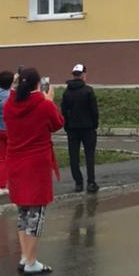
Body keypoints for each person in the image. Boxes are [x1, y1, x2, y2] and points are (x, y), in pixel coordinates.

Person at [3, 68, 64, 276]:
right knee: (36, 214)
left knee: (23, 211)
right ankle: (30, 260)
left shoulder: (9, 105)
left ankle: (25, 255)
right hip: (37, 163)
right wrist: (49, 100)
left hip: (15, 160)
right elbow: (57, 124)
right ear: (38, 85)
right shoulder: (44, 105)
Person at [60, 63, 99, 192]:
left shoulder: (67, 92)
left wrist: (67, 125)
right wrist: (95, 124)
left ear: (73, 75)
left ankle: (78, 183)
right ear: (83, 75)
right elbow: (94, 110)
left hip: (72, 128)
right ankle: (91, 183)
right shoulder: (88, 91)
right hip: (88, 128)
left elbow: (63, 111)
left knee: (73, 156)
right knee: (89, 155)